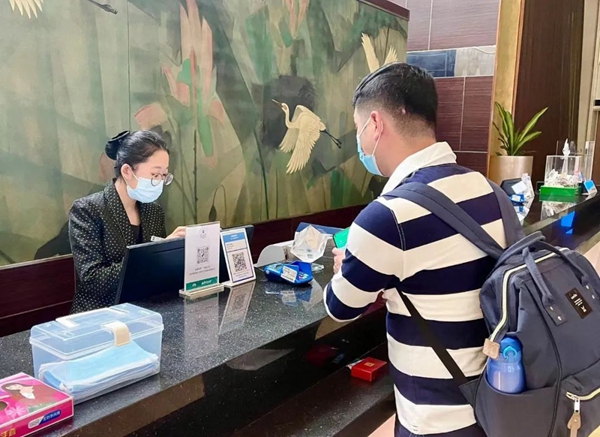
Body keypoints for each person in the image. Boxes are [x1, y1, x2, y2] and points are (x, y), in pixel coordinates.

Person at [325, 63, 506, 437]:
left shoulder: (387, 217)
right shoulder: (489, 191)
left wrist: (347, 266)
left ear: (375, 124)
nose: (360, 142)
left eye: (358, 128)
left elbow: (340, 307)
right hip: (499, 404)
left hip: (435, 420)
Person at [69, 131, 186, 313]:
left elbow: (157, 273)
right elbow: (93, 279)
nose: (160, 182)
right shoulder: (87, 209)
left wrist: (171, 251)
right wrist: (154, 255)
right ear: (126, 171)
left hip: (145, 309)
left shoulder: (154, 211)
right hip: (100, 314)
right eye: (155, 174)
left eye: (164, 175)